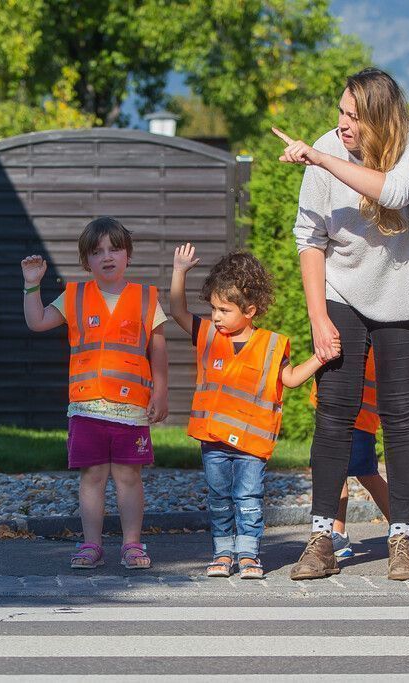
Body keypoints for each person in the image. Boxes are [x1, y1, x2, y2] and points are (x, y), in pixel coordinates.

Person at [277, 67, 409, 581]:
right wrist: (318, 316)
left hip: (406, 293)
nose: (342, 125)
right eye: (340, 113)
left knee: (399, 415)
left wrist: (321, 158)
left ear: (379, 117)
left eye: (354, 116)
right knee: (335, 411)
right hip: (343, 291)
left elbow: (394, 192)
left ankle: (402, 539)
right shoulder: (327, 147)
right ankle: (322, 537)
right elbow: (310, 237)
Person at [170, 244, 334, 578]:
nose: (215, 316)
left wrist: (320, 358)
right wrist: (179, 271)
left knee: (248, 499)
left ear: (250, 310)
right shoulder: (206, 336)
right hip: (213, 441)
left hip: (250, 447)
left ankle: (248, 554)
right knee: (218, 499)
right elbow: (176, 310)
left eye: (224, 310)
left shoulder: (271, 345)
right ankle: (222, 553)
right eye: (213, 308)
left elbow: (288, 379)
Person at [21, 216, 168, 570]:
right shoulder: (74, 295)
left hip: (131, 408)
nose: (107, 256)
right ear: (86, 261)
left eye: (115, 248)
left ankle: (132, 544)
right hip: (86, 407)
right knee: (93, 477)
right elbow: (37, 321)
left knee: (129, 477)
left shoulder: (146, 297)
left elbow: (158, 350)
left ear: (127, 255)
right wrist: (31, 286)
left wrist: (160, 391)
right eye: (97, 251)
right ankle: (91, 545)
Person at [309, 350, 392, 558]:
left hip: (359, 417)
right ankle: (337, 533)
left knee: (367, 475)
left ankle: (400, 525)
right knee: (335, 474)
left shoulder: (369, 338)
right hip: (335, 411)